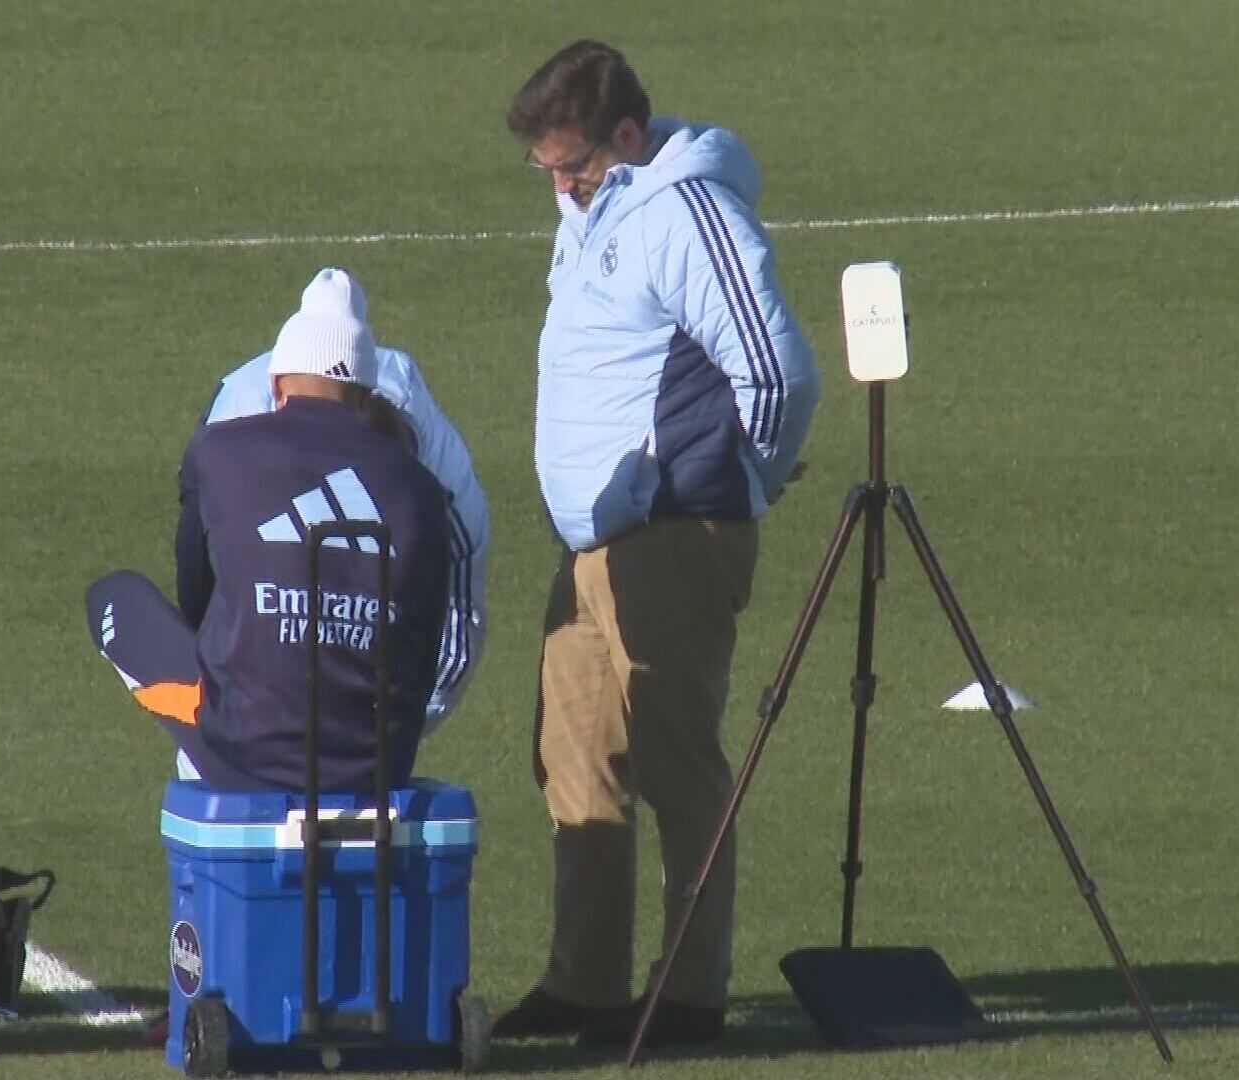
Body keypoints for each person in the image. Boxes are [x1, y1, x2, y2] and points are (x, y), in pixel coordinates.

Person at [489, 40, 821, 1048]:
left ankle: (686, 994)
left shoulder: (686, 211)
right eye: (547, 168)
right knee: (574, 761)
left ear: (627, 139)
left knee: (677, 765)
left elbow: (777, 373)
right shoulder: (593, 210)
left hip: (672, 535)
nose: (560, 186)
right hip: (596, 545)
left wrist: (739, 481)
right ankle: (585, 983)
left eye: (573, 165)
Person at [84, 269, 457, 794]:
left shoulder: (218, 452)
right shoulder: (422, 489)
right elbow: (423, 652)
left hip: (241, 758)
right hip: (377, 768)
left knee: (113, 595)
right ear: (364, 396)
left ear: (277, 383)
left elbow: (195, 595)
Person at [203, 269, 489, 741]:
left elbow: (459, 620)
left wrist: (390, 729)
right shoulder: (237, 417)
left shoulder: (437, 470)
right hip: (246, 719)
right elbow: (205, 583)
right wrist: (231, 715)